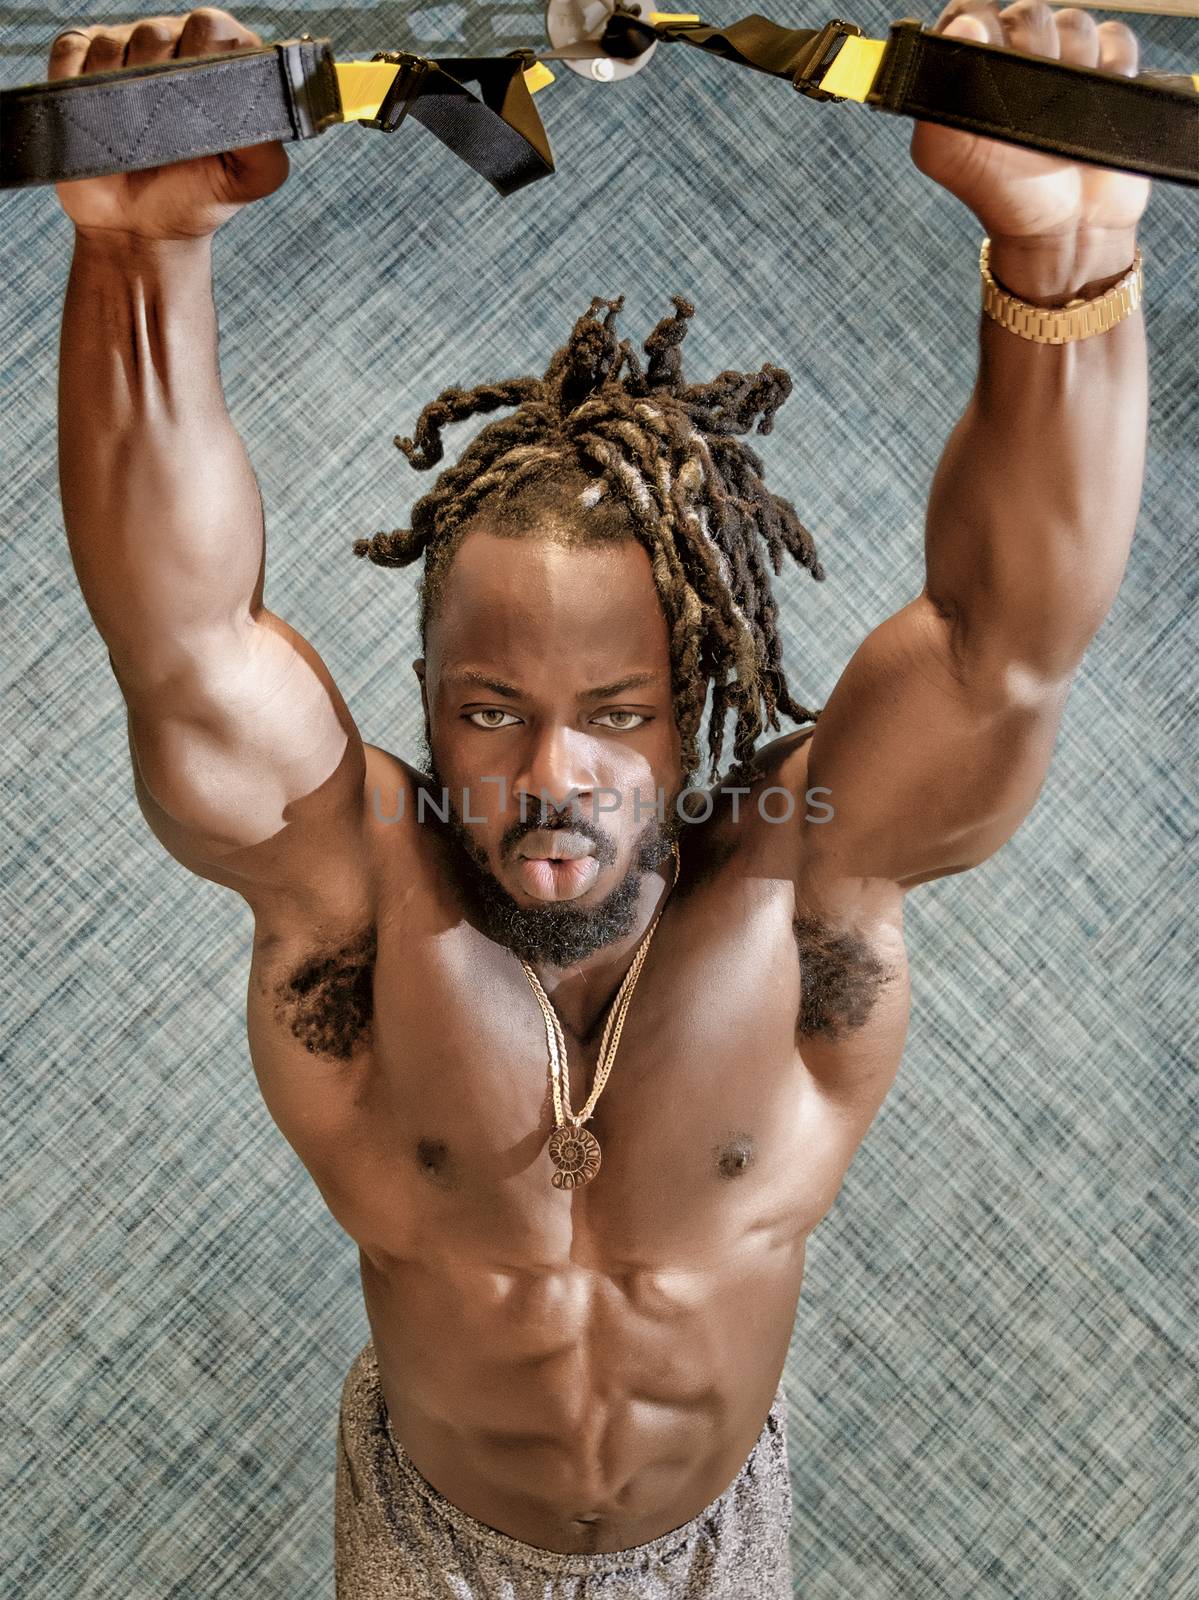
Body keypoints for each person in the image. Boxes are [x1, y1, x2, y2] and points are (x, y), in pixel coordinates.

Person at [49, 4, 1151, 1594]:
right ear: (426, 708)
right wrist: (140, 260)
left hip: (713, 1546)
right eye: (490, 713)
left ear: (693, 705)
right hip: (434, 1545)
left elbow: (1005, 652)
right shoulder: (354, 891)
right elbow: (184, 648)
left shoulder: (799, 892)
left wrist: (1062, 250)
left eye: (619, 718)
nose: (554, 776)